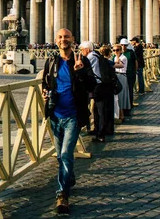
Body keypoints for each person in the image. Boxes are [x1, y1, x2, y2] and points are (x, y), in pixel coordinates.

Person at [42, 29, 91, 214]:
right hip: (55, 115)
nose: (64, 40)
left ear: (73, 40)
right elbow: (45, 84)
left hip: (73, 115)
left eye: (67, 37)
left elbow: (91, 85)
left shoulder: (81, 60)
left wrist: (79, 73)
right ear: (56, 41)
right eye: (61, 37)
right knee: (62, 156)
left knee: (66, 153)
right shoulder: (51, 62)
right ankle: (68, 177)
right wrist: (45, 93)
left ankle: (62, 194)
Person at [80, 41, 113, 143]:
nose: (81, 52)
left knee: (100, 109)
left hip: (98, 86)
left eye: (82, 50)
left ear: (87, 49)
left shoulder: (90, 57)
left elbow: (87, 71)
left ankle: (101, 133)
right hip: (100, 85)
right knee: (97, 109)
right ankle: (97, 129)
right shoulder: (96, 55)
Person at [112, 43, 129, 123]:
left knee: (121, 96)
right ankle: (119, 114)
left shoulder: (123, 57)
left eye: (117, 50)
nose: (115, 52)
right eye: (114, 50)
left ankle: (121, 115)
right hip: (116, 76)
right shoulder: (115, 57)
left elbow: (120, 65)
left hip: (121, 76)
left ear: (121, 50)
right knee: (117, 96)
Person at [120, 38, 137, 113]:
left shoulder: (131, 52)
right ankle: (123, 106)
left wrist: (135, 71)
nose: (123, 46)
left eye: (125, 45)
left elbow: (136, 62)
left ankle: (129, 105)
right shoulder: (118, 52)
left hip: (130, 73)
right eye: (122, 45)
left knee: (130, 89)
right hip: (122, 74)